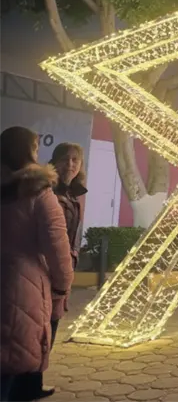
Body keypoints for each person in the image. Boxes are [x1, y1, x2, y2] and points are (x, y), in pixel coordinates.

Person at [0, 127, 74, 402]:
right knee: (11, 362)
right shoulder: (39, 192)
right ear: (29, 152)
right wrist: (62, 287)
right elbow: (57, 248)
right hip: (22, 288)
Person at [12, 144, 89, 401]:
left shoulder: (73, 193)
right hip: (45, 271)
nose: (71, 165)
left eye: (76, 160)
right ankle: (25, 386)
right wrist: (61, 275)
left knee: (49, 328)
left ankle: (33, 383)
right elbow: (53, 239)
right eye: (65, 159)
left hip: (60, 268)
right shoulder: (47, 191)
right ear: (54, 162)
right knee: (40, 329)